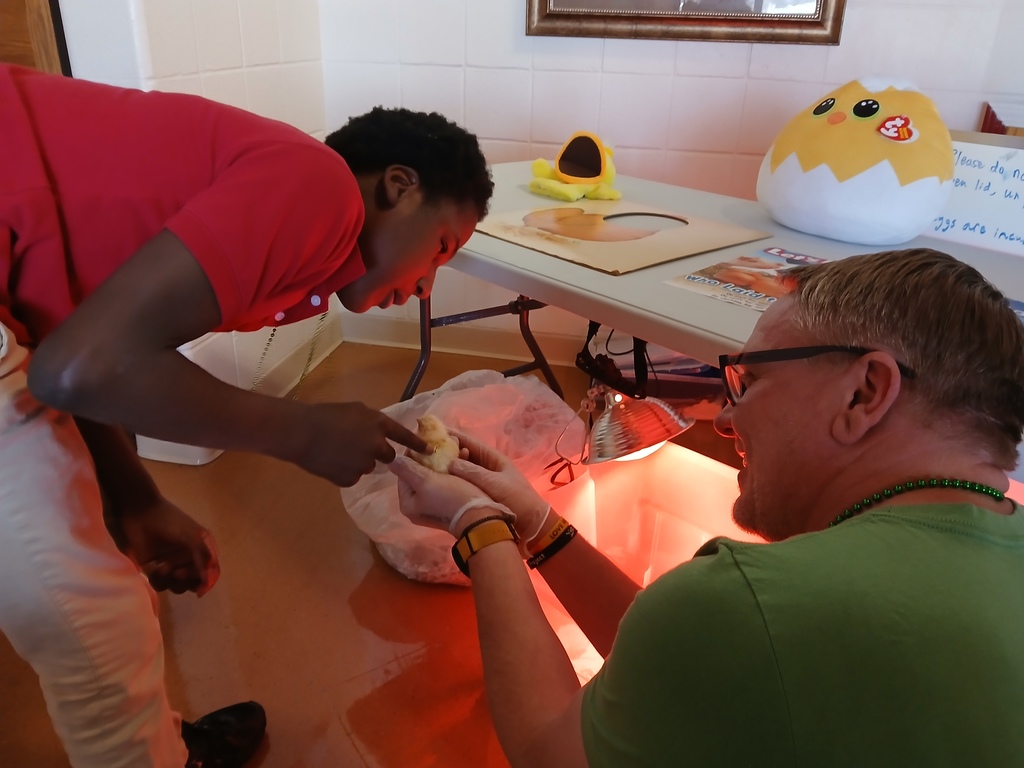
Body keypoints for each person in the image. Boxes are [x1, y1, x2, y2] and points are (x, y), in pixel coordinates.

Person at [0, 63, 492, 768]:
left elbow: (72, 345)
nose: (423, 288)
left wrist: (135, 495)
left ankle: (157, 745)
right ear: (398, 184)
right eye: (441, 249)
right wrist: (302, 430)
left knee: (93, 580)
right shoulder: (320, 190)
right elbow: (75, 369)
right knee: (91, 617)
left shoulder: (284, 208)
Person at [391, 247, 1024, 766]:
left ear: (865, 390)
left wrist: (476, 525)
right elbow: (702, 666)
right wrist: (536, 524)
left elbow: (551, 753)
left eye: (749, 381)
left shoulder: (756, 603)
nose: (723, 417)